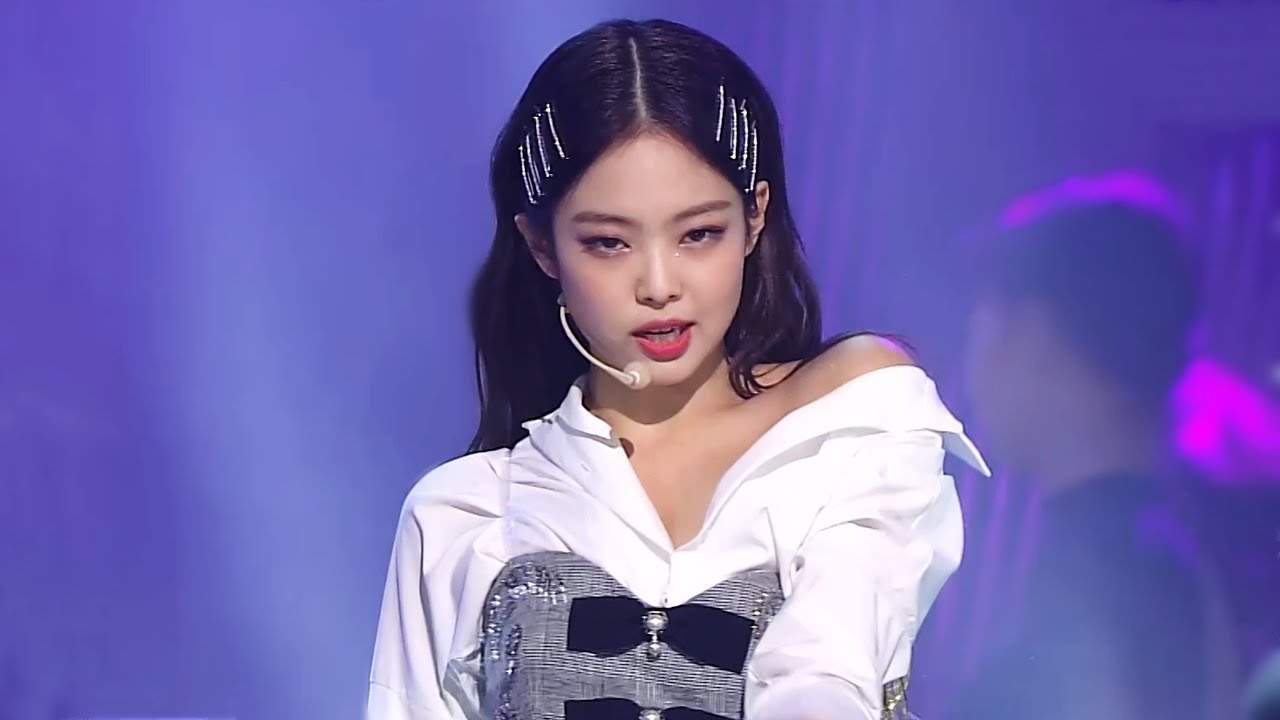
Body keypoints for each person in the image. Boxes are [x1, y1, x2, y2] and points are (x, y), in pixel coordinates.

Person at [365, 18, 988, 720]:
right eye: (608, 243)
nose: (659, 285)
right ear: (542, 246)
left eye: (699, 234)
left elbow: (826, 672)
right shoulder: (465, 514)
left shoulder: (849, 424)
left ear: (755, 217)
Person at [952, 173, 1234, 719]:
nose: (973, 371)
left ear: (1034, 338)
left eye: (987, 325)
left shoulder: (1104, 575)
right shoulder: (1165, 555)